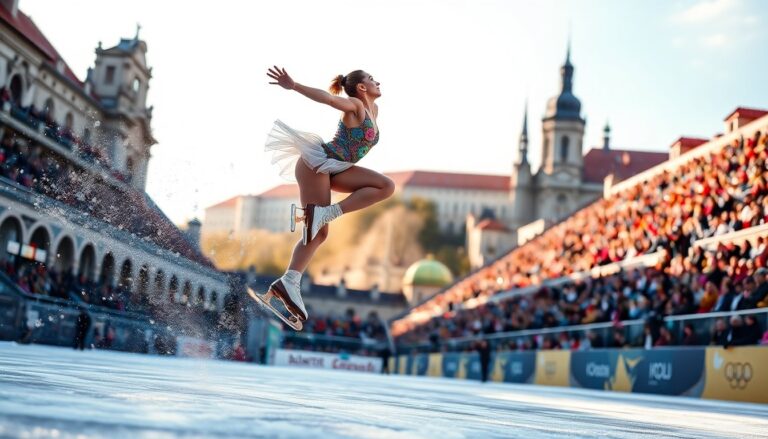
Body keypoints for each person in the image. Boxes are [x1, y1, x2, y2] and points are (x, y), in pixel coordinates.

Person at [263, 67, 394, 324]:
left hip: (338, 168)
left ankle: (288, 281)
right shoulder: (356, 105)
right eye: (371, 79)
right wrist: (294, 85)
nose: (377, 82)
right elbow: (329, 99)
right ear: (361, 87)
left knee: (385, 186)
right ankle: (289, 282)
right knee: (319, 232)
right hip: (318, 164)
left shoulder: (374, 111)